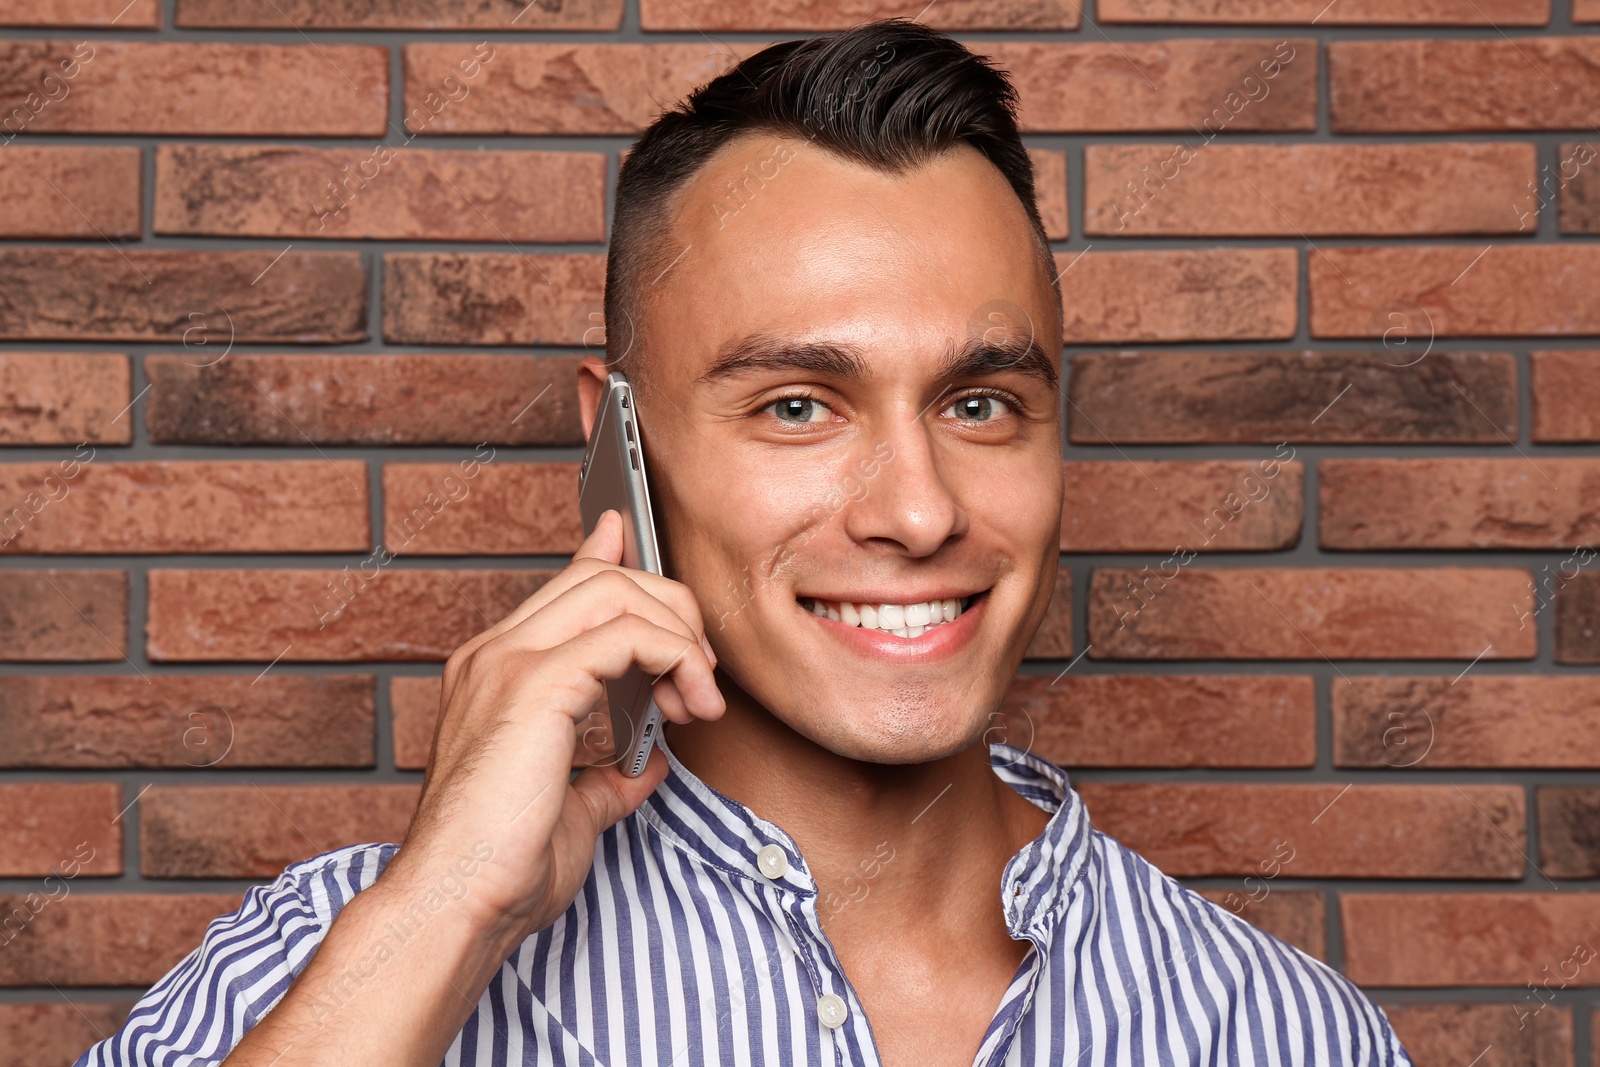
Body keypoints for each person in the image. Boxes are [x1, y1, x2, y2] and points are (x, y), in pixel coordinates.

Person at [77, 18, 1415, 1067]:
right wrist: (442, 918)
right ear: (620, 446)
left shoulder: (1284, 1032)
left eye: (981, 402)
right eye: (796, 405)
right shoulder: (332, 964)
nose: (919, 509)